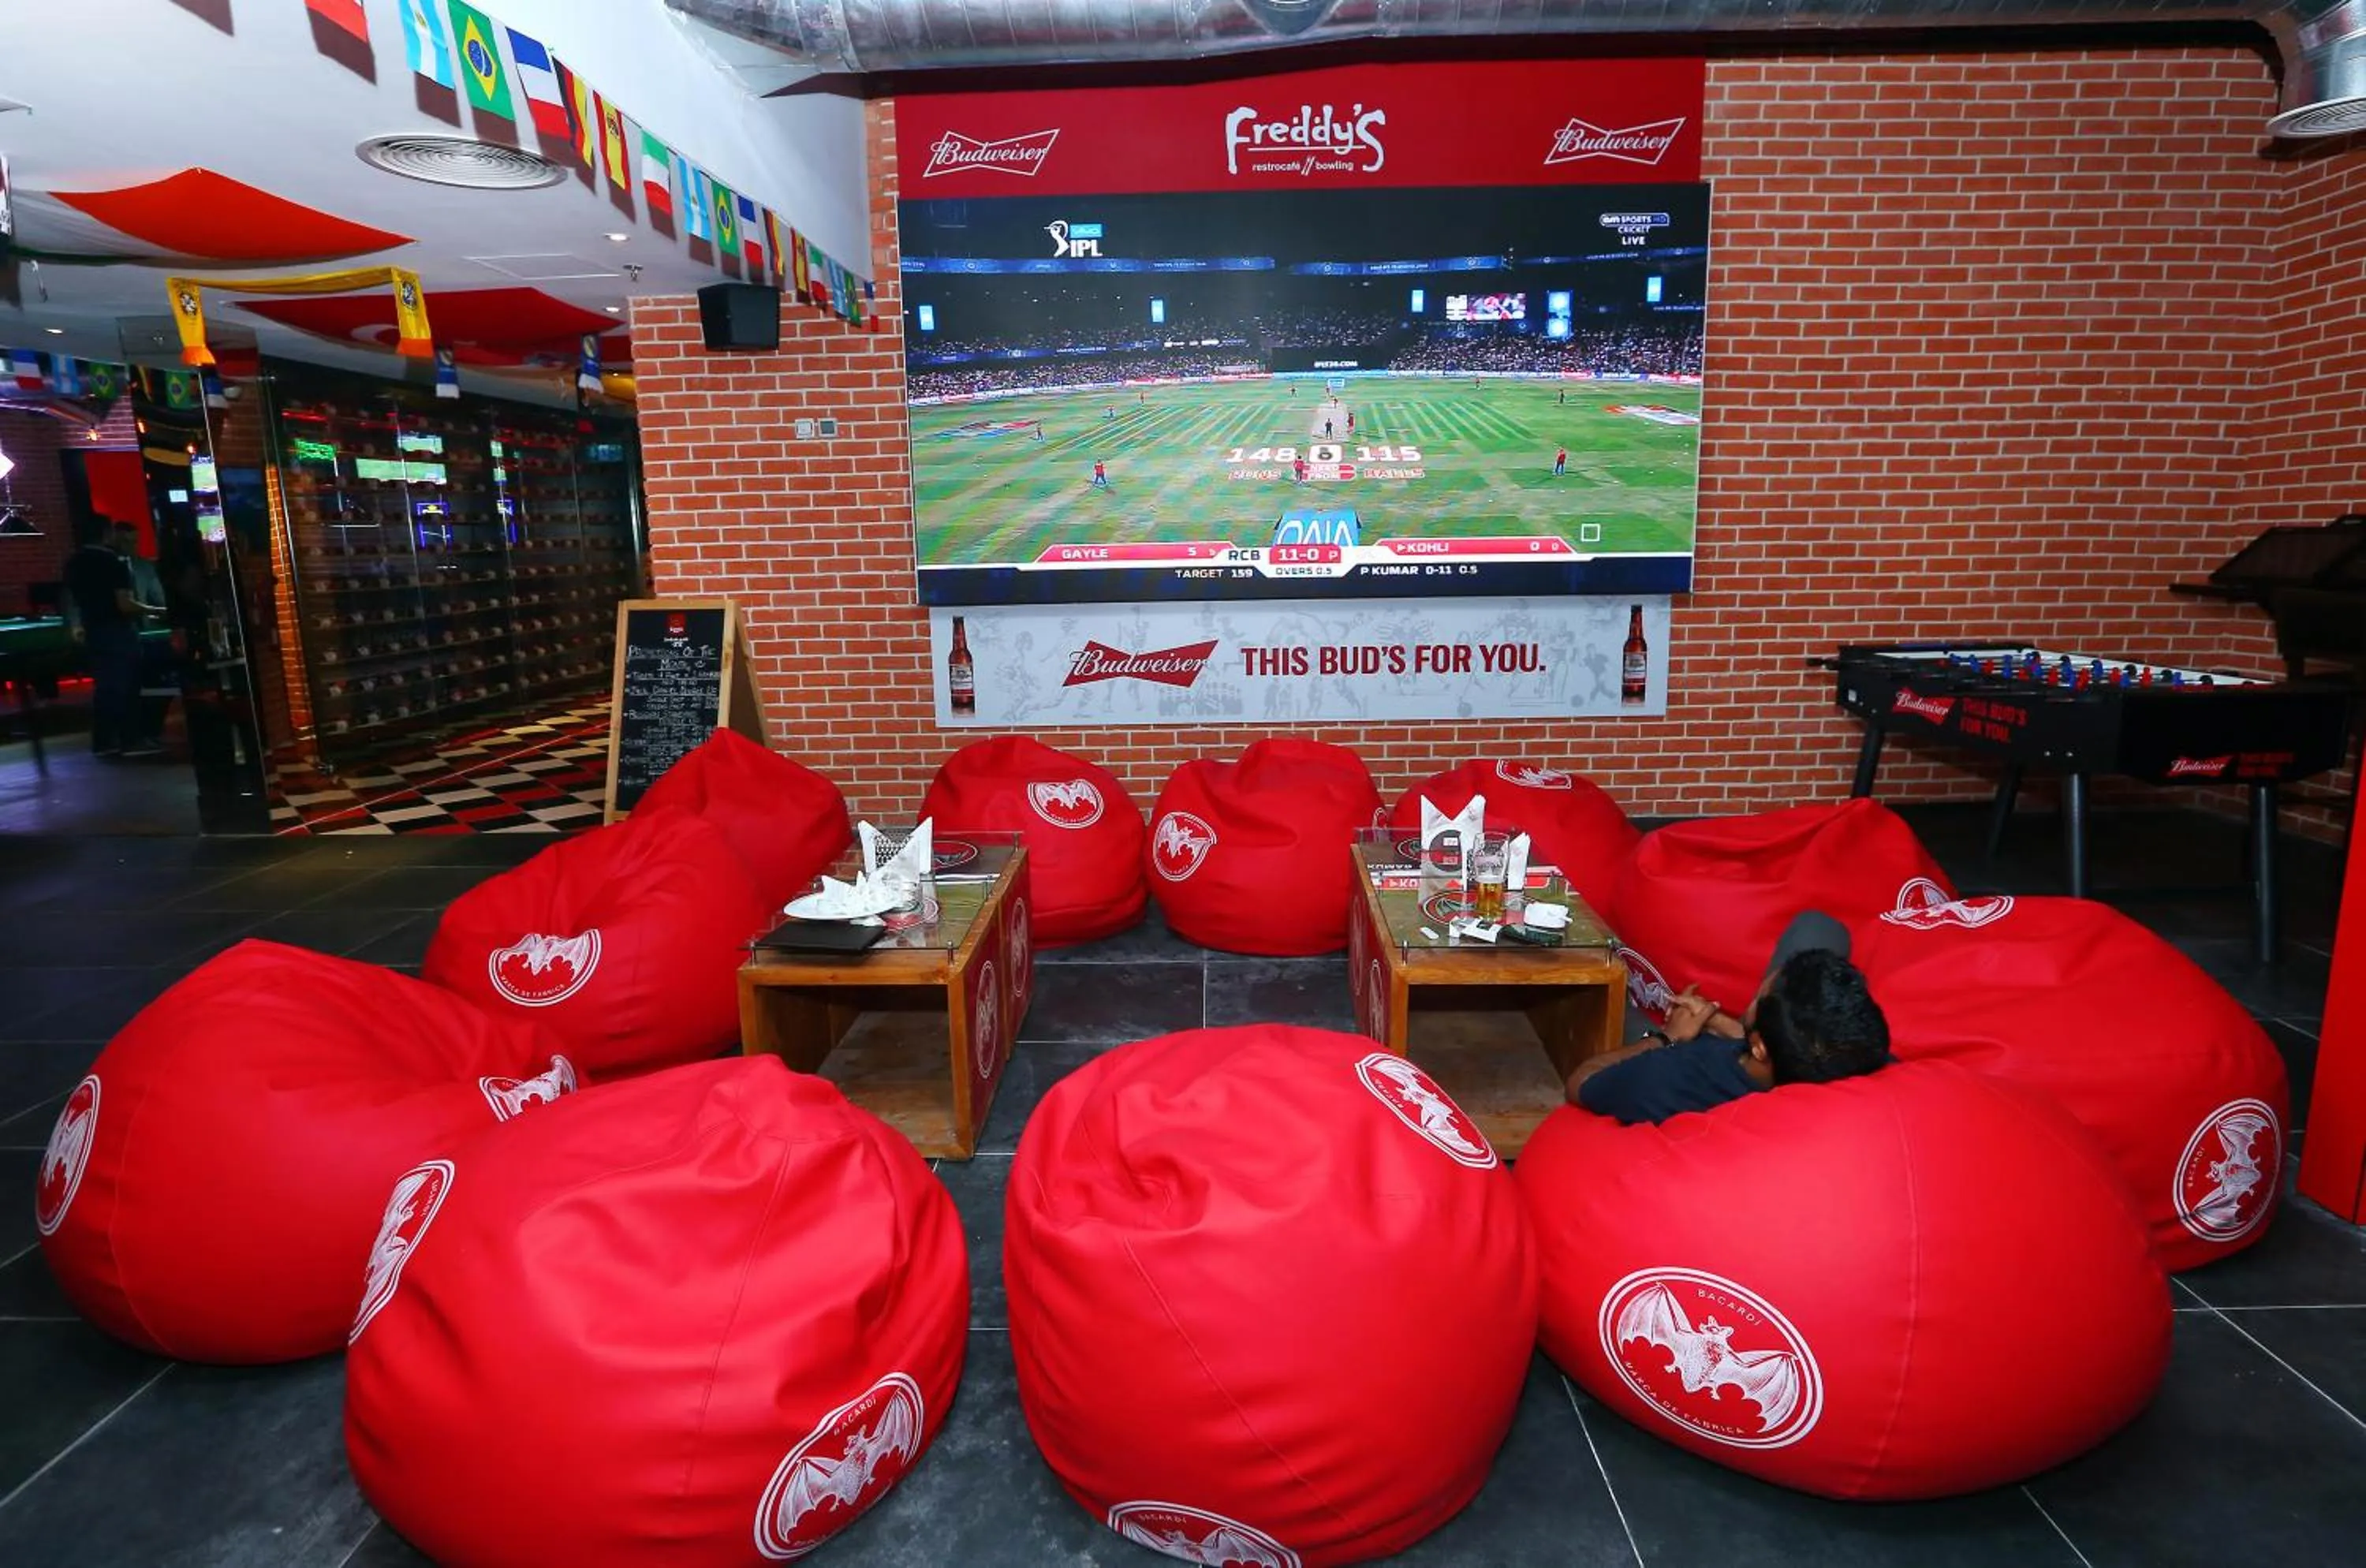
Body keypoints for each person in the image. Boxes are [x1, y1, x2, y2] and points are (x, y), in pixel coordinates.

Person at [1565, 913, 1892, 1124]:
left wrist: (1667, 1037)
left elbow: (1581, 1084)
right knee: (1819, 926)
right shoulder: (1866, 1060)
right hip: (1765, 1058)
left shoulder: (1683, 1074)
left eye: (1760, 998)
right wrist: (1723, 1023)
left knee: (1629, 1010)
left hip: (1686, 1054)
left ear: (1760, 1047)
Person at [63, 517, 163, 758]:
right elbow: (125, 605)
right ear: (107, 534)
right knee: (127, 686)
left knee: (105, 688)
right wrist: (158, 611)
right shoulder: (115, 562)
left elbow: (71, 599)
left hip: (93, 630)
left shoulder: (74, 562)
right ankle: (131, 740)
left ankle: (104, 741)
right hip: (118, 630)